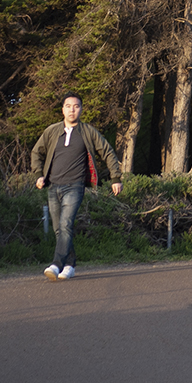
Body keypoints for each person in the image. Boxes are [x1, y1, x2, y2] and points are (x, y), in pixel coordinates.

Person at [31, 93, 123, 280]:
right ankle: (70, 265)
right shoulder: (52, 131)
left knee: (65, 224)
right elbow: (36, 152)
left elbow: (107, 152)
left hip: (75, 186)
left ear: (81, 109)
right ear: (62, 109)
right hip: (53, 186)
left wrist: (115, 177)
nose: (72, 110)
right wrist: (38, 175)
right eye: (68, 106)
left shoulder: (88, 132)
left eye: (76, 106)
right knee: (59, 228)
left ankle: (56, 264)